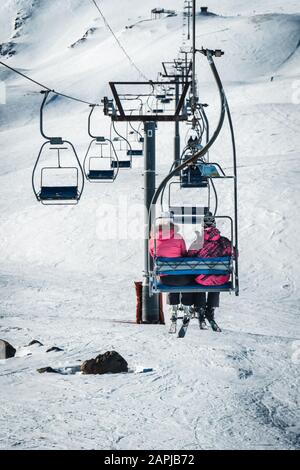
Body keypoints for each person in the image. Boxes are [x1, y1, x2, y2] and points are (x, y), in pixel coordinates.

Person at [186, 212, 233, 331]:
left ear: (202, 227)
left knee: (200, 279)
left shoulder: (199, 242)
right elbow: (235, 255)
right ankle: (210, 310)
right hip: (221, 279)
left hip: (202, 280)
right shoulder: (225, 241)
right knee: (216, 278)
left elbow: (188, 257)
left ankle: (200, 309)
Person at [149, 220, 193, 315]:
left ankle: (173, 306)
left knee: (170, 276)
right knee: (186, 277)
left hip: (166, 279)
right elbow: (184, 254)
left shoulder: (153, 241)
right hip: (183, 279)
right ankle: (187, 304)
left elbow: (153, 255)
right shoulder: (178, 238)